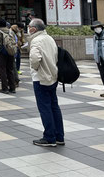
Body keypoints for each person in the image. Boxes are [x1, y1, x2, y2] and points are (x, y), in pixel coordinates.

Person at [28, 18, 64, 147]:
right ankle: (59, 136)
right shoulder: (49, 38)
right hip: (53, 76)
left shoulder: (36, 40)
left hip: (41, 78)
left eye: (29, 26)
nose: (28, 28)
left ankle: (49, 137)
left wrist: (35, 68)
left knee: (45, 108)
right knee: (54, 106)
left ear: (34, 29)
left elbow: (34, 59)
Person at [0, 18, 16, 94]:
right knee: (10, 70)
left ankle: (4, 88)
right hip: (11, 51)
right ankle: (12, 88)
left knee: (2, 70)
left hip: (1, 52)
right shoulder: (11, 31)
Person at [91, 21, 104, 98]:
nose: (97, 29)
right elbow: (94, 47)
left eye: (98, 27)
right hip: (99, 59)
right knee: (103, 75)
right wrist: (95, 57)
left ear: (101, 27)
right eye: (95, 28)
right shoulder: (95, 36)